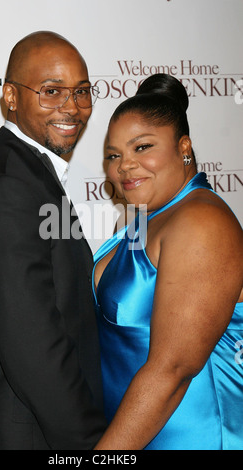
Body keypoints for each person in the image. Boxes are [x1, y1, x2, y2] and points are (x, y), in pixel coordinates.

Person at [0, 31, 107, 450]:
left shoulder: (26, 175)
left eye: (82, 91)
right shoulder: (9, 188)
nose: (72, 107)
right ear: (11, 97)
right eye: (51, 91)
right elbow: (36, 351)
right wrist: (95, 447)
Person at [93, 73, 243, 450]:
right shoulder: (139, 219)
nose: (125, 166)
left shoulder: (201, 221)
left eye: (142, 148)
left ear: (185, 147)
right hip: (137, 431)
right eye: (114, 155)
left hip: (194, 435)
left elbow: (174, 370)